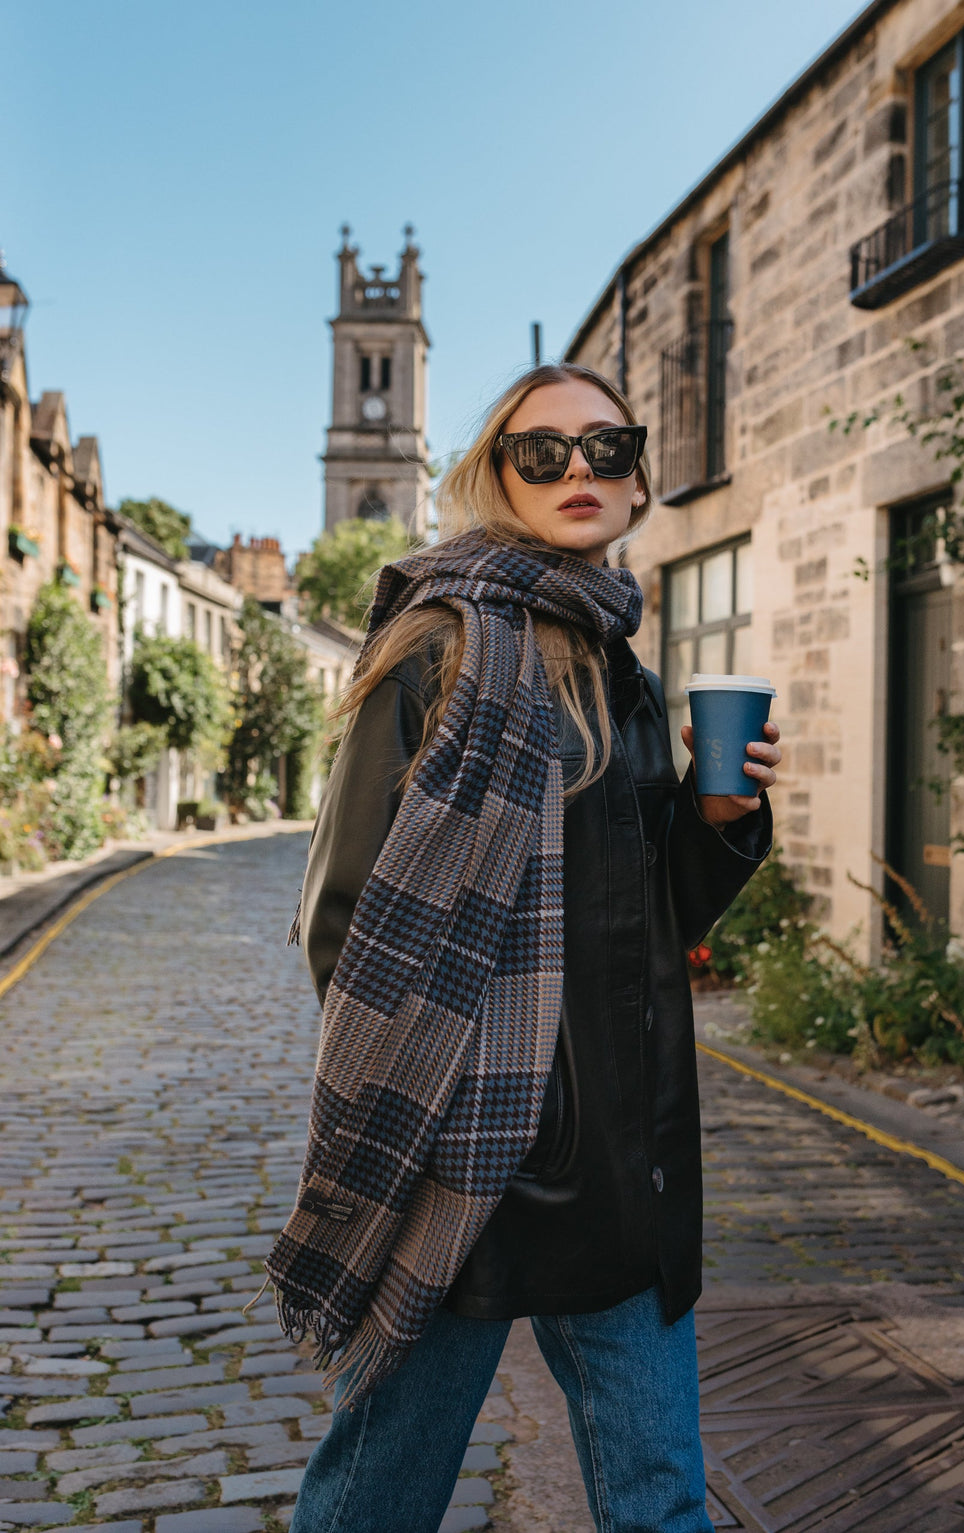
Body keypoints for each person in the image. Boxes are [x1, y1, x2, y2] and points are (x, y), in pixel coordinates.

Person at [275, 363, 781, 1533]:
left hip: (625, 1158)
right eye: (542, 451)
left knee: (661, 1501)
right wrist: (444, 1109)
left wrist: (719, 824)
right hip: (473, 1164)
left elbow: (657, 929)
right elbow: (344, 919)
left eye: (607, 448)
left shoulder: (626, 669)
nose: (579, 472)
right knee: (375, 1498)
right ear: (497, 476)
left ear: (640, 471)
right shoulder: (437, 649)